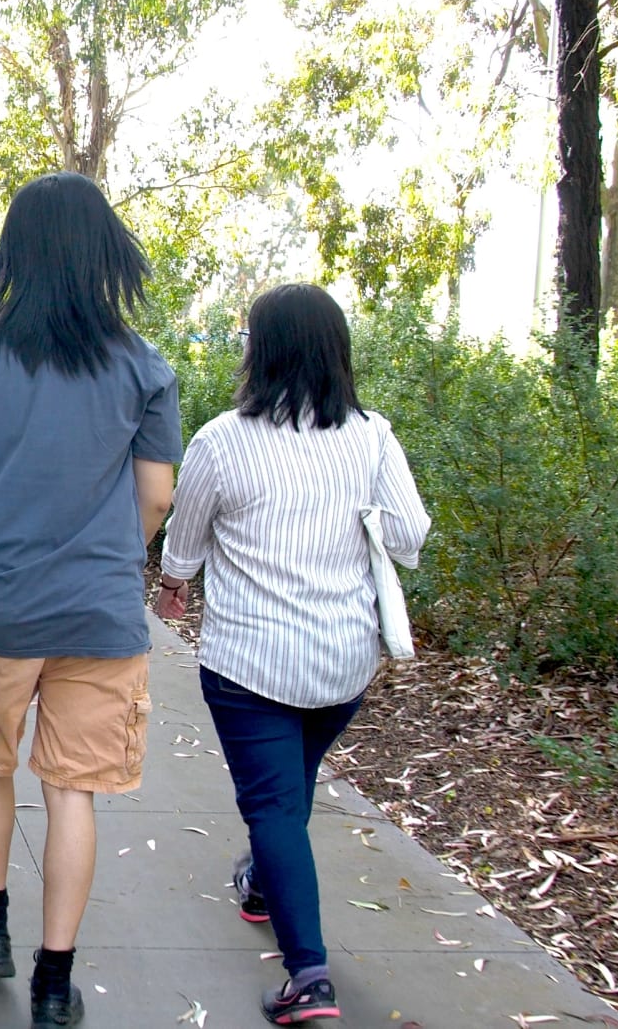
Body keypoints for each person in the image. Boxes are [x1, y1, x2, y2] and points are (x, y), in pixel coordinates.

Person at [0, 171, 183, 1029]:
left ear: (13, 254)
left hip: (0, 608)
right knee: (74, 792)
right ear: (105, 252)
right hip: (100, 615)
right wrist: (109, 559)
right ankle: (54, 983)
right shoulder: (144, 368)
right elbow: (158, 497)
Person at [155, 283, 430, 1025]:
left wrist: (175, 585)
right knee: (289, 787)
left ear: (262, 352)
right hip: (344, 663)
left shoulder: (222, 439)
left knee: (276, 800)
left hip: (250, 664)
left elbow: (182, 538)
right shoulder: (373, 436)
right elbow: (409, 536)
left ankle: (308, 973)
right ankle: (259, 880)